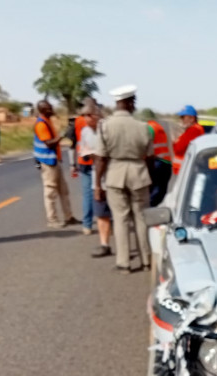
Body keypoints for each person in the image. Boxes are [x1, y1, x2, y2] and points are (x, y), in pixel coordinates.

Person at [94, 85, 153, 274]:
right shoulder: (143, 127)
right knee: (141, 218)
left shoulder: (104, 126)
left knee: (120, 219)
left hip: (115, 173)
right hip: (139, 172)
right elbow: (150, 157)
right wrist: (148, 177)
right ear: (128, 103)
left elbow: (101, 158)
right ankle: (146, 260)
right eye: (133, 102)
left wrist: (97, 184)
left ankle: (124, 263)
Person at [33, 99, 80, 228]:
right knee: (50, 192)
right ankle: (52, 220)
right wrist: (62, 136)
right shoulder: (41, 124)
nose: (52, 109)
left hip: (54, 160)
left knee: (64, 190)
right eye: (49, 108)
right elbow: (49, 143)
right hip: (48, 161)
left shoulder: (48, 121)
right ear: (43, 110)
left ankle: (68, 216)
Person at [78, 103, 113, 257]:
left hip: (113, 176)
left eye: (89, 115)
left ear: (97, 115)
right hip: (96, 176)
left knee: (119, 215)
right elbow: (84, 150)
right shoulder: (85, 131)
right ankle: (104, 244)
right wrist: (91, 155)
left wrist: (99, 156)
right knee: (101, 213)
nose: (86, 119)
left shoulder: (107, 128)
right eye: (84, 116)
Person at [71, 97, 97, 235]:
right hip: (96, 162)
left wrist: (72, 163)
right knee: (99, 192)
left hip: (83, 161)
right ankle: (104, 219)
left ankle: (87, 225)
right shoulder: (99, 122)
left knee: (87, 194)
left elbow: (73, 143)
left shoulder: (77, 121)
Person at [172, 104, 204, 176]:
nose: (181, 119)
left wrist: (175, 143)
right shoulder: (194, 129)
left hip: (184, 169)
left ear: (192, 118)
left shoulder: (194, 130)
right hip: (185, 168)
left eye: (183, 117)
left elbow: (178, 148)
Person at [147, 117, 172, 206]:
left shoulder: (149, 128)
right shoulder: (158, 127)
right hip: (166, 162)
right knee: (160, 191)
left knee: (154, 191)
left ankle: (148, 210)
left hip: (157, 162)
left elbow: (145, 146)